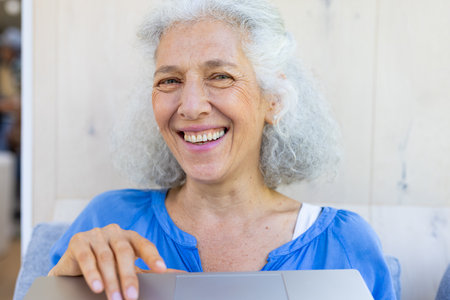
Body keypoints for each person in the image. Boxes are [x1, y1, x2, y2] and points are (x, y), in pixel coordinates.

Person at [48, 1, 396, 300]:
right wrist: (58, 287)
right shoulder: (109, 217)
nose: (191, 106)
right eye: (170, 80)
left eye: (221, 76)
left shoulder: (344, 243)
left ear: (273, 99)